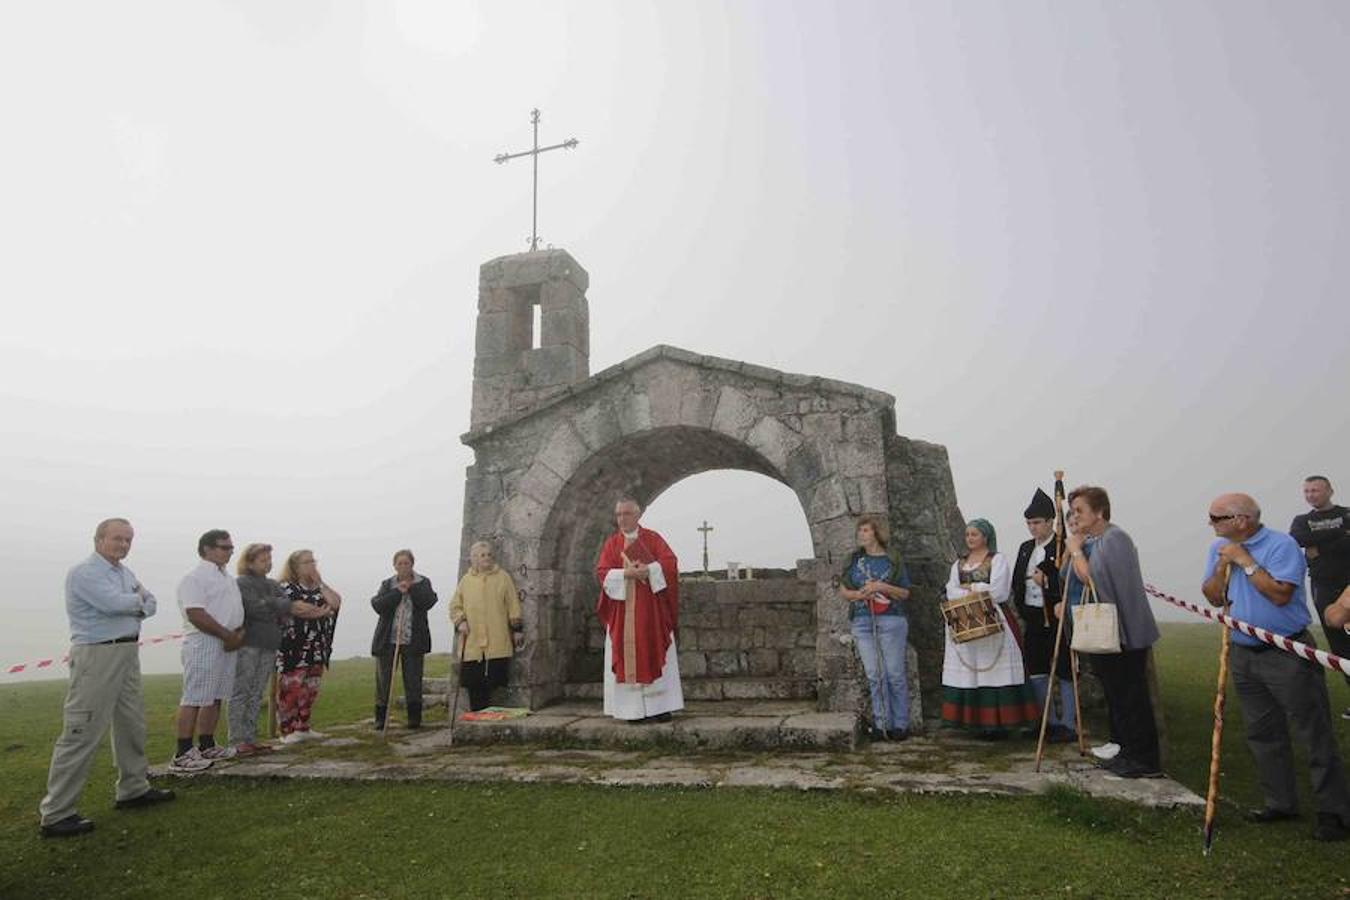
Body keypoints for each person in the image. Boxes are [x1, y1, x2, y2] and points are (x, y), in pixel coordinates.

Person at [1204, 492, 1350, 841]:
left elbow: (1281, 593)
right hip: (1243, 652)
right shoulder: (1219, 549)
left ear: (1242, 520)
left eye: (1216, 517)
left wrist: (1246, 561)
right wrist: (1224, 565)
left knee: (1312, 731)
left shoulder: (1281, 545)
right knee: (1261, 731)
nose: (1210, 524)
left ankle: (1334, 811)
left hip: (1286, 652)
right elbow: (1212, 595)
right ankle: (1280, 801)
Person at [38, 519, 174, 838]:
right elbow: (113, 604)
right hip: (97, 655)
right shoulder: (85, 572)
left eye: (128, 540)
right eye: (117, 539)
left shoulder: (124, 573)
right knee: (82, 729)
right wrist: (135, 601)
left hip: (127, 651)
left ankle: (133, 789)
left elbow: (151, 604)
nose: (124, 545)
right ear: (99, 539)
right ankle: (57, 813)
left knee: (131, 723)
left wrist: (135, 602)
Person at [1062, 486, 1162, 778]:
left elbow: (1093, 578)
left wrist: (1076, 550)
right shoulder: (1098, 539)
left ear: (1100, 512)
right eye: (1073, 511)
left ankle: (1145, 759)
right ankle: (1127, 752)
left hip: (1124, 632)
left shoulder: (1115, 538)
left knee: (1132, 697)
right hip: (1106, 632)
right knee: (1118, 697)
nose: (1075, 516)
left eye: (1080, 510)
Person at [941, 519, 1039, 738]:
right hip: (965, 621)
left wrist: (970, 588)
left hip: (993, 620)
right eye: (968, 535)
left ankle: (1000, 723)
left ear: (986, 536)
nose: (970, 539)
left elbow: (999, 591)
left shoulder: (997, 560)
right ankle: (976, 722)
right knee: (970, 670)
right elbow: (950, 590)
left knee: (995, 671)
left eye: (974, 534)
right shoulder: (959, 564)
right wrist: (976, 590)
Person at [228, 543, 326, 754]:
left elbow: (282, 610)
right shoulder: (242, 583)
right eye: (263, 560)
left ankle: (250, 738)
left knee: (256, 693)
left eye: (269, 559)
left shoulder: (273, 584)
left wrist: (276, 605)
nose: (268, 564)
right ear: (250, 562)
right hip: (249, 644)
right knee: (242, 691)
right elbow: (254, 608)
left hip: (269, 643)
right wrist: (279, 605)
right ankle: (237, 740)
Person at [594, 497, 683, 723]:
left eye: (627, 514)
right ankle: (631, 711)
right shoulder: (612, 544)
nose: (622, 519)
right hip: (623, 615)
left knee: (653, 648)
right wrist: (626, 574)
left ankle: (660, 707)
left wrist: (650, 569)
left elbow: (670, 563)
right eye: (619, 515)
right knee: (627, 656)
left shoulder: (653, 539)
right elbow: (603, 572)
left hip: (651, 613)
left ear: (638, 514)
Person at [172, 529, 245, 773]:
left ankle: (207, 743)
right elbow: (196, 613)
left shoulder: (227, 578)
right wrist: (226, 635)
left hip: (228, 640)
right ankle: (183, 751)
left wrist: (237, 634)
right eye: (225, 547)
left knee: (215, 695)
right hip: (204, 641)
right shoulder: (194, 578)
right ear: (207, 549)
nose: (230, 551)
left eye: (231, 547)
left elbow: (234, 610)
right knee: (195, 696)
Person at [838, 514, 912, 740]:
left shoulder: (893, 559)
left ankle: (901, 724)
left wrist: (881, 586)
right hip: (862, 621)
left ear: (877, 533)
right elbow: (844, 591)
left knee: (895, 674)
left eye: (866, 530)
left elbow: (905, 592)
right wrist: (859, 593)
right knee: (875, 674)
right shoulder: (853, 560)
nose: (861, 534)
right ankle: (881, 724)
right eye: (859, 531)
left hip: (891, 619)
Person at [1012, 488, 1077, 743]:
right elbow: (1019, 580)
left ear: (1051, 521)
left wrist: (1047, 581)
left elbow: (1069, 580)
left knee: (1063, 669)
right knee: (1037, 670)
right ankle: (1046, 721)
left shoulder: (1062, 546)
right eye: (1029, 523)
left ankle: (1067, 723)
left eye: (1037, 522)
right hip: (1034, 617)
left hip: (1057, 616)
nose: (1032, 527)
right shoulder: (1025, 548)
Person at [1290, 475, 1350, 712]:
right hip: (1322, 586)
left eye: (1315, 490)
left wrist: (1320, 547)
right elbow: (1298, 538)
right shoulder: (1302, 520)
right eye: (1307, 491)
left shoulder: (1346, 513)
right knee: (1340, 645)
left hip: (1348, 585)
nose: (1310, 495)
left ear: (1330, 491)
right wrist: (1341, 537)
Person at [275, 549, 341, 743]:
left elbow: (335, 603)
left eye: (313, 561)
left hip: (317, 646)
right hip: (293, 648)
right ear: (295, 566)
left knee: (310, 688)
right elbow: (297, 609)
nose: (312, 565)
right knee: (291, 689)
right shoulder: (286, 587)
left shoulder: (318, 587)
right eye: (307, 562)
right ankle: (287, 731)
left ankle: (303, 727)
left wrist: (320, 583)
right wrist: (321, 612)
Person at [449, 541, 523, 712]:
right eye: (482, 555)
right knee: (474, 682)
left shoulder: (503, 577)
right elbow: (455, 605)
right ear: (474, 558)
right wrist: (460, 621)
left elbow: (513, 604)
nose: (487, 558)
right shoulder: (466, 581)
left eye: (489, 554)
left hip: (496, 638)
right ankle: (477, 714)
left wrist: (517, 629)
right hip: (473, 640)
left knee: (494, 680)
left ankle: (490, 716)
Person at [371, 549, 440, 729]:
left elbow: (429, 602)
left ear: (412, 564)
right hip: (389, 640)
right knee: (384, 680)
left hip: (413, 639)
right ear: (394, 565)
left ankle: (414, 718)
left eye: (406, 563)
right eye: (399, 563)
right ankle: (381, 718)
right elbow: (377, 605)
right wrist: (397, 593)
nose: (403, 566)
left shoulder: (423, 582)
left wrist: (412, 589)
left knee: (413, 679)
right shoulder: (387, 584)